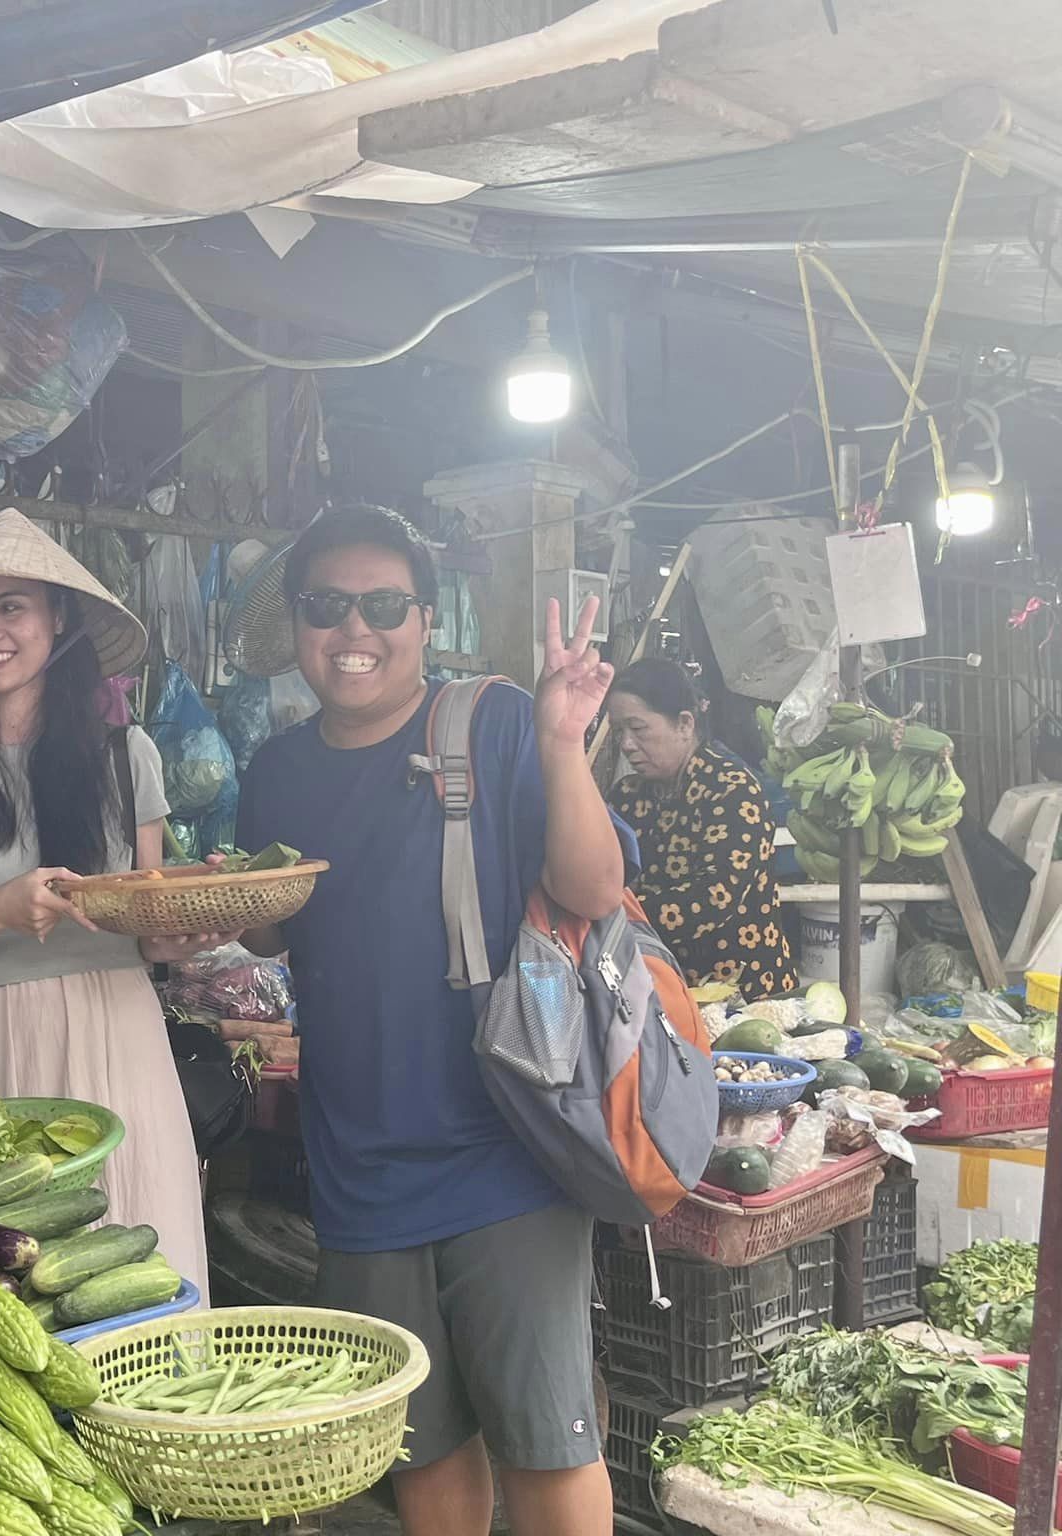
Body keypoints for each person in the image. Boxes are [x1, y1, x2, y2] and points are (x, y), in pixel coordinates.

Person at [230, 506, 629, 1536]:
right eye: (324, 607)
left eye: (381, 606)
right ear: (295, 622)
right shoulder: (274, 772)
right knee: (420, 1444)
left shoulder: (493, 722)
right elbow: (275, 934)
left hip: (503, 1145)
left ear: (421, 616)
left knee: (544, 1445)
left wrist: (560, 741)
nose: (351, 630)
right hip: (356, 1156)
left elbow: (590, 892)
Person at [0, 510, 224, 1299]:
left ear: (58, 620)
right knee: (9, 1302)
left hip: (121, 1041)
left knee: (136, 1286)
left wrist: (183, 934)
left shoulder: (129, 761)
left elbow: (148, 930)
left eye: (11, 606)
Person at [606, 659, 796, 1000]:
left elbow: (714, 898)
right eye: (619, 731)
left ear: (684, 723)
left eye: (638, 728)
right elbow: (605, 873)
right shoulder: (627, 798)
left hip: (743, 994)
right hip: (659, 986)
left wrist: (610, 916)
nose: (627, 744)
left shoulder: (733, 790)